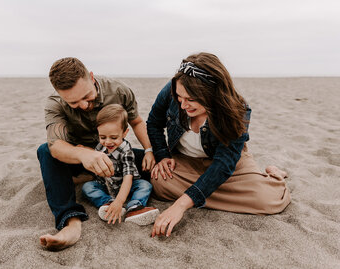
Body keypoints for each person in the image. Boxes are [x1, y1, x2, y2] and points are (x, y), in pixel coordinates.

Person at [146, 52, 291, 237]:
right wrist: (163, 155)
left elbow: (223, 164)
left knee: (268, 200)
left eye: (191, 100)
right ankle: (202, 192)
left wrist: (180, 205)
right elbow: (154, 122)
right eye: (179, 98)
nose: (183, 105)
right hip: (185, 161)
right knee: (158, 182)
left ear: (212, 93)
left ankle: (275, 176)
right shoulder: (174, 89)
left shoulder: (238, 110)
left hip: (226, 166)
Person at [37, 57, 155, 250]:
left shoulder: (118, 90)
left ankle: (133, 203)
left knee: (150, 164)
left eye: (86, 96)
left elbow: (136, 122)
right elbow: (55, 146)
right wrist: (85, 155)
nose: (83, 105)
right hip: (78, 159)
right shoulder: (55, 104)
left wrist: (150, 151)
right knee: (45, 152)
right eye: (73, 102)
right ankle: (71, 222)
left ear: (91, 77)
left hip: (115, 157)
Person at [82, 104, 160, 225]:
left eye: (113, 137)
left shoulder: (126, 151)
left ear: (124, 133)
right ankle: (108, 203)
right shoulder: (100, 147)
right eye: (102, 137)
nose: (107, 142)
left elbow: (128, 177)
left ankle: (134, 207)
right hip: (107, 185)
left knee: (145, 185)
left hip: (127, 185)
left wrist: (120, 201)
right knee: (87, 187)